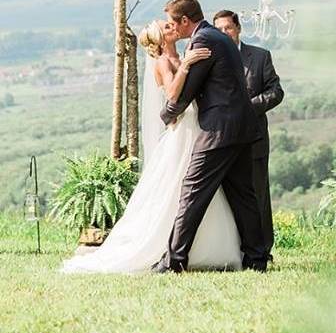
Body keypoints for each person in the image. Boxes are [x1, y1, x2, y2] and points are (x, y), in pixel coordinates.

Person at [61, 18, 243, 273]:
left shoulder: (183, 53)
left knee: (201, 189)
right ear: (160, 40)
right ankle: (169, 248)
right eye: (167, 28)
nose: (173, 28)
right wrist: (187, 65)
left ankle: (208, 249)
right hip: (182, 130)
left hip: (200, 129)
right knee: (180, 189)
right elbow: (172, 94)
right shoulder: (162, 62)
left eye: (171, 24)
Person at [152, 0, 268, 273]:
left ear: (184, 21)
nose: (172, 29)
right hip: (241, 128)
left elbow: (189, 88)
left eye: (173, 23)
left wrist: (167, 115)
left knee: (192, 192)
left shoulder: (203, 40)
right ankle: (256, 258)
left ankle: (174, 261)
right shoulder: (220, 37)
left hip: (219, 130)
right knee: (243, 195)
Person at [213, 10, 284, 258]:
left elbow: (276, 92)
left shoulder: (260, 56)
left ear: (238, 28)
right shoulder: (211, 59)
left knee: (257, 196)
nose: (224, 33)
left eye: (228, 28)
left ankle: (263, 250)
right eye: (219, 30)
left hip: (254, 140)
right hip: (222, 142)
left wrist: (248, 107)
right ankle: (234, 250)